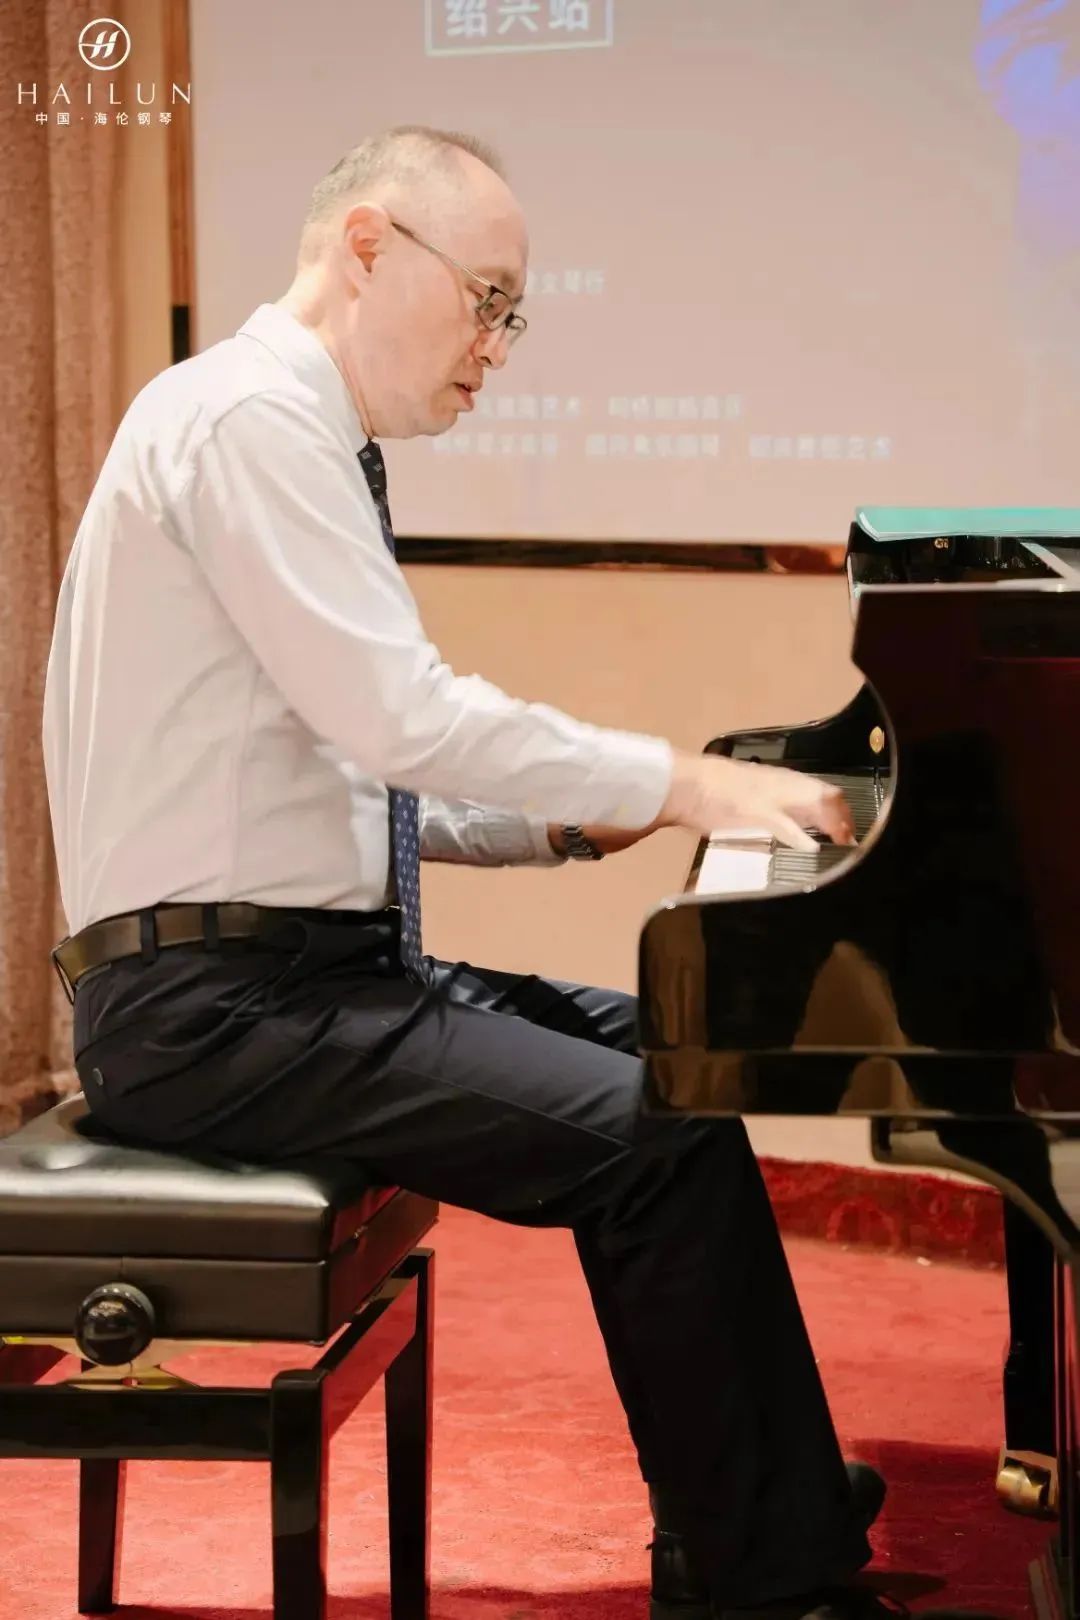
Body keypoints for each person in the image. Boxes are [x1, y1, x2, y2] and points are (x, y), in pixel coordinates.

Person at [43, 126, 894, 1620]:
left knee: (682, 1066)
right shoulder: (247, 421)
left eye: (515, 315)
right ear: (369, 247)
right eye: (488, 300)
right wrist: (684, 779)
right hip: (211, 1014)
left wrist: (553, 825)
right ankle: (771, 1580)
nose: (497, 346)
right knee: (652, 1138)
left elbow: (334, 776)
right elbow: (403, 717)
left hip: (295, 982)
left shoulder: (284, 429)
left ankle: (755, 1512)